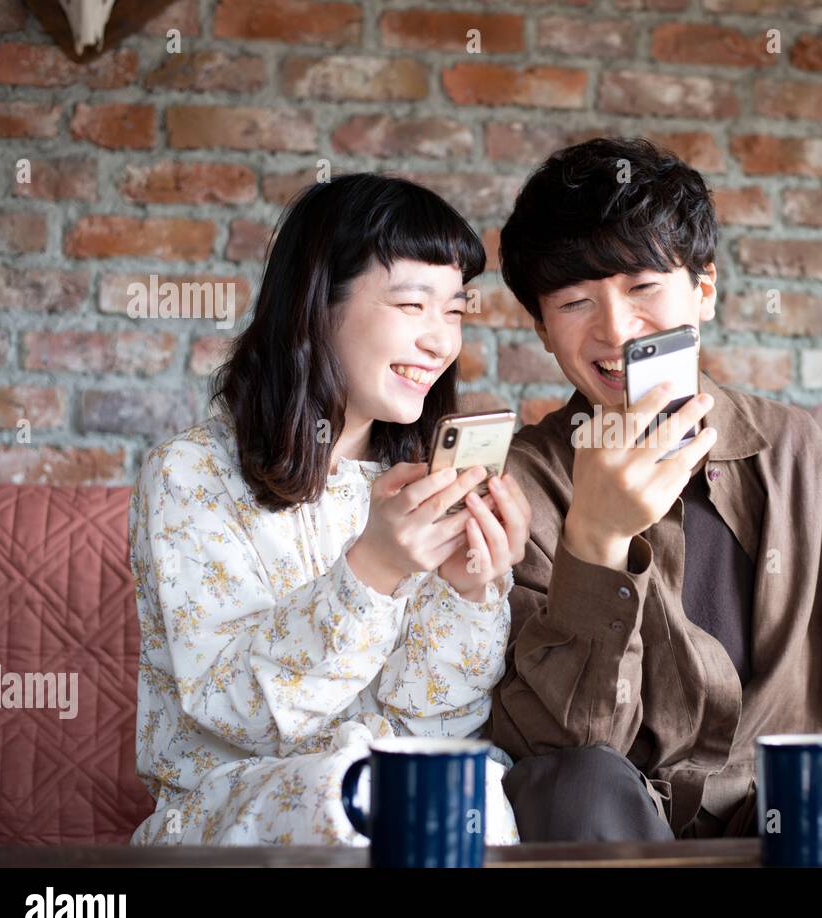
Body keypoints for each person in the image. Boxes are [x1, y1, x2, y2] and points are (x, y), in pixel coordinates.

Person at [485, 137, 822, 844]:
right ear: (541, 329)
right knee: (578, 783)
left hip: (789, 829)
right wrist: (595, 544)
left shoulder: (794, 453)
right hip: (616, 833)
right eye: (575, 301)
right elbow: (563, 744)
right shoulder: (521, 485)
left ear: (705, 289)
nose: (617, 329)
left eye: (642, 287)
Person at [128, 173, 532, 847]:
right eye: (413, 304)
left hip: (382, 809)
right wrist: (371, 570)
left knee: (472, 793)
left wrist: (468, 595)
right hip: (225, 810)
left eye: (455, 310)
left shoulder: (419, 488)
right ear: (320, 306)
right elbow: (235, 713)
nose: (441, 341)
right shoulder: (191, 475)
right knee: (351, 795)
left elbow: (435, 730)